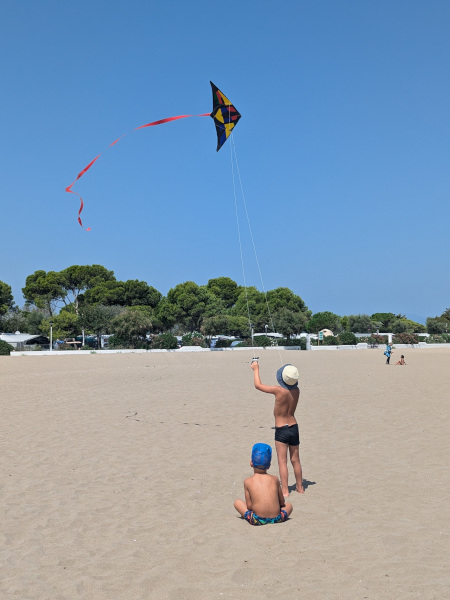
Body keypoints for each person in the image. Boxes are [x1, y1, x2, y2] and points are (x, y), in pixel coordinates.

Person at [250, 361, 304, 497]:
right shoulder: (297, 390)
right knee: (295, 459)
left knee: (282, 461)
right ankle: (300, 487)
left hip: (282, 429)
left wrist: (256, 369)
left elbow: (258, 385)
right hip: (294, 426)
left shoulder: (279, 390)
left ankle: (285, 491)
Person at [234, 443, 293, 525]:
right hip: (277, 518)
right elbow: (282, 502)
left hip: (257, 519)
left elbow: (249, 506)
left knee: (237, 503)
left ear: (251, 463)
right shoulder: (275, 479)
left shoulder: (248, 481)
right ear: (269, 466)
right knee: (289, 505)